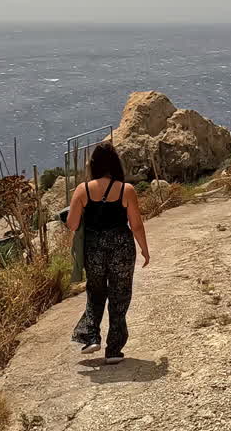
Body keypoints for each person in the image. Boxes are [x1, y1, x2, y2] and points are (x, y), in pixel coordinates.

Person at [65, 142, 150, 364]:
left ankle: (92, 336)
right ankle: (114, 350)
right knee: (120, 296)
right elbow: (137, 225)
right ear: (115, 165)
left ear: (93, 165)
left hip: (93, 249)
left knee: (95, 292)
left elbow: (72, 224)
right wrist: (144, 249)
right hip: (121, 246)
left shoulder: (83, 190)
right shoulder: (126, 190)